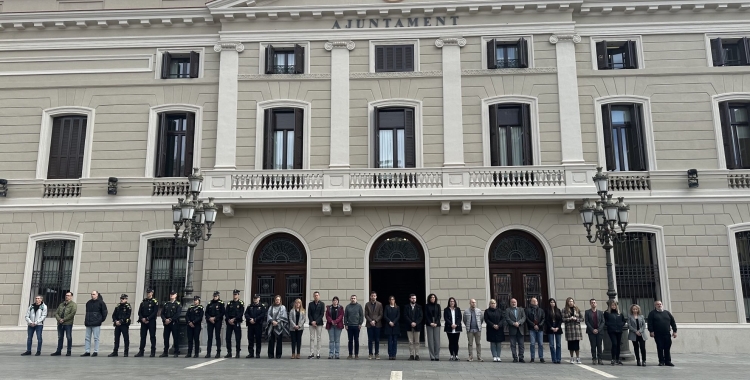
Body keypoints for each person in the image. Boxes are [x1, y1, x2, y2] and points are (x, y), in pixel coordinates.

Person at [647, 300, 677, 367]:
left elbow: (673, 322)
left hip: (667, 333)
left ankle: (668, 361)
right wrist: (651, 331)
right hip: (657, 334)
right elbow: (650, 323)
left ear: (662, 305)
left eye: (660, 304)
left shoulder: (667, 313)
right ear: (655, 306)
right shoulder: (652, 313)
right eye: (657, 304)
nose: (659, 305)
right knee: (660, 347)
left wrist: (675, 331)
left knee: (667, 347)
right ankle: (661, 361)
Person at [81, 291, 107, 357]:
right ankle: (87, 351)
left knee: (96, 338)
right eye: (91, 294)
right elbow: (87, 313)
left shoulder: (101, 303)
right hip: (88, 323)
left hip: (96, 323)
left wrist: (100, 320)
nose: (92, 295)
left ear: (97, 295)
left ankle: (96, 351)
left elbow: (104, 312)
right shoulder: (88, 303)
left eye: (94, 294)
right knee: (87, 338)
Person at [51, 292, 77, 356]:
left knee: (68, 337)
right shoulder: (61, 304)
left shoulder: (73, 305)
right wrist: (59, 319)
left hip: (68, 323)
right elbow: (56, 313)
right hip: (60, 323)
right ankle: (58, 350)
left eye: (68, 295)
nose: (67, 297)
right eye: (66, 295)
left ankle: (69, 351)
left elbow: (72, 314)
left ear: (71, 297)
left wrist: (64, 319)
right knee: (60, 337)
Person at [135, 288, 158, 357]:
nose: (148, 294)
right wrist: (142, 318)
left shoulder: (155, 301)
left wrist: (148, 318)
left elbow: (155, 312)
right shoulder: (143, 302)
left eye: (149, 292)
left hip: (151, 321)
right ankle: (141, 351)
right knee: (143, 337)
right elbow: (139, 312)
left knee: (152, 336)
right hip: (143, 322)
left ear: (152, 293)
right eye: (147, 292)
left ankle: (153, 352)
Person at [603, 300, 626, 365]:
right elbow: (605, 321)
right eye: (612, 305)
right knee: (614, 344)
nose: (614, 306)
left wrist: (621, 324)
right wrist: (609, 325)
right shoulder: (607, 313)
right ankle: (613, 358)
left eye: (615, 305)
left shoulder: (619, 313)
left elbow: (623, 320)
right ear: (610, 306)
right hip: (611, 330)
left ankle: (617, 359)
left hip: (619, 330)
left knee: (618, 345)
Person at [160, 290, 181, 358]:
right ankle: (165, 352)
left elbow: (178, 314)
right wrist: (164, 319)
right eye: (171, 294)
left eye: (173, 294)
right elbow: (162, 313)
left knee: (175, 338)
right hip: (166, 323)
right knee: (166, 338)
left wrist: (170, 319)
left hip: (174, 323)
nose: (171, 295)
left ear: (176, 295)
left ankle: (176, 351)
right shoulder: (166, 304)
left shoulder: (178, 304)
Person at [562, 297, 583, 364]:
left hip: (576, 329)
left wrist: (576, 319)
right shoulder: (564, 310)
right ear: (567, 302)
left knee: (576, 344)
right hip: (569, 329)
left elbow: (582, 318)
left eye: (572, 301)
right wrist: (569, 318)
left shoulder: (577, 309)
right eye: (569, 301)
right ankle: (571, 357)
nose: (571, 302)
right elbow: (563, 319)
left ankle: (578, 357)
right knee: (570, 345)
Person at [205, 291, 225, 358]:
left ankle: (218, 352)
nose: (215, 297)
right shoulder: (210, 303)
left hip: (217, 321)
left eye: (216, 296)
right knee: (209, 337)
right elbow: (206, 312)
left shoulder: (221, 303)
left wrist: (215, 318)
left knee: (217, 337)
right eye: (214, 296)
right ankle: (208, 353)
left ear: (218, 296)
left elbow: (222, 312)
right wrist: (210, 318)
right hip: (210, 321)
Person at [245, 294, 266, 358]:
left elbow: (263, 314)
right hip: (250, 325)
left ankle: (258, 353)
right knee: (250, 339)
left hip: (258, 325)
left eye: (256, 298)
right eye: (254, 298)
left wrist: (255, 319)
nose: (255, 299)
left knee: (258, 339)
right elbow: (246, 314)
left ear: (259, 298)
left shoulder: (262, 306)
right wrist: (249, 319)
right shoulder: (249, 306)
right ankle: (251, 353)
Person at [224, 289, 244, 358]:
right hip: (229, 322)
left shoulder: (241, 303)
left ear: (238, 295)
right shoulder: (230, 303)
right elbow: (226, 312)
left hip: (236, 322)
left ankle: (237, 352)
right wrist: (229, 320)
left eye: (236, 294)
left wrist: (234, 319)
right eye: (234, 294)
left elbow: (241, 313)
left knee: (238, 338)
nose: (235, 295)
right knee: (228, 338)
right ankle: (229, 352)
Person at [404, 293, 424, 361]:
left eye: (415, 298)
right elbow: (405, 316)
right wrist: (411, 322)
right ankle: (411, 355)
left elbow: (421, 316)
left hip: (417, 326)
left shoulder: (419, 307)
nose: (413, 299)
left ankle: (417, 355)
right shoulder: (406, 307)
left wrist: (415, 323)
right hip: (409, 326)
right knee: (410, 341)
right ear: (410, 299)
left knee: (417, 341)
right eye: (412, 298)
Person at [506, 298, 526, 363]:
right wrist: (513, 323)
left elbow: (524, 317)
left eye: (515, 302)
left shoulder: (521, 309)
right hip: (512, 329)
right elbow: (507, 318)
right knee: (513, 345)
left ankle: (521, 357)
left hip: (520, 329)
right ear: (510, 303)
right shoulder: (508, 310)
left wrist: (519, 322)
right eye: (512, 302)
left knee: (521, 344)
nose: (513, 303)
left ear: (516, 303)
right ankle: (515, 357)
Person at [585, 299, 605, 365]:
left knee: (599, 345)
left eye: (594, 302)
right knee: (593, 346)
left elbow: (603, 322)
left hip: (600, 332)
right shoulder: (587, 312)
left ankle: (600, 359)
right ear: (590, 304)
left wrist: (598, 329)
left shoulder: (600, 312)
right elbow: (587, 321)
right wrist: (592, 329)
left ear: (596, 304)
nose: (593, 304)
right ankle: (594, 358)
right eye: (592, 303)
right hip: (591, 332)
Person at [364, 291, 383, 360]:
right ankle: (370, 354)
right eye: (372, 296)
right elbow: (366, 314)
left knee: (377, 340)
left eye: (374, 296)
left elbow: (381, 314)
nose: (373, 297)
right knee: (370, 340)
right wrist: (370, 321)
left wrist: (375, 321)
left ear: (376, 297)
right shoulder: (367, 304)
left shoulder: (379, 304)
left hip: (377, 324)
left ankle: (377, 354)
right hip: (369, 324)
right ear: (370, 296)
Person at [463, 298, 483, 362]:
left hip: (477, 329)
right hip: (470, 330)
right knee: (470, 344)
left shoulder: (479, 311)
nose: (473, 303)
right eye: (472, 302)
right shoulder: (466, 311)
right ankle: (470, 356)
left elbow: (481, 319)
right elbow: (464, 320)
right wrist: (468, 326)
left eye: (474, 302)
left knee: (478, 343)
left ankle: (479, 357)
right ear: (470, 303)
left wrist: (479, 326)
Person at [344, 294, 364, 359]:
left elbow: (361, 315)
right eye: (352, 298)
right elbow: (345, 316)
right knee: (350, 340)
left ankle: (356, 354)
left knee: (356, 340)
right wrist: (346, 324)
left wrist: (360, 323)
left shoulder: (359, 306)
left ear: (356, 299)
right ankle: (350, 354)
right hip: (349, 326)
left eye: (354, 298)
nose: (353, 299)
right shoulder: (347, 307)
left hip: (356, 326)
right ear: (350, 299)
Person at [526, 297, 545, 363]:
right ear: (530, 302)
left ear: (537, 302)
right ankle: (532, 357)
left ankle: (541, 357)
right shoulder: (528, 310)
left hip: (540, 329)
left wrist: (539, 325)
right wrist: (533, 325)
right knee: (532, 343)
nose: (534, 302)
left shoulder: (541, 310)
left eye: (535, 301)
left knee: (541, 344)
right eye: (533, 301)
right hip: (532, 329)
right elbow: (527, 319)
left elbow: (543, 319)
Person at [307, 291, 325, 359]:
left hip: (319, 323)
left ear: (319, 296)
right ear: (313, 296)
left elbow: (322, 314)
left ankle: (318, 353)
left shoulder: (322, 304)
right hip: (311, 324)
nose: (316, 296)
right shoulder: (310, 304)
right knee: (312, 338)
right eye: (315, 295)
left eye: (317, 295)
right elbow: (309, 314)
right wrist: (312, 321)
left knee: (318, 338)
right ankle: (311, 353)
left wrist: (316, 322)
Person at [443, 297, 462, 361]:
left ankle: (456, 355)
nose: (452, 302)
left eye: (453, 301)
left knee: (456, 342)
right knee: (451, 342)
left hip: (457, 328)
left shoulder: (458, 309)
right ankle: (451, 355)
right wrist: (451, 324)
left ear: (455, 302)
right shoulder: (446, 310)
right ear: (449, 302)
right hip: (449, 328)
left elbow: (460, 318)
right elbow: (446, 318)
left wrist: (456, 324)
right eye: (451, 301)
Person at [545, 298, 563, 364]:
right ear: (549, 303)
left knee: (558, 344)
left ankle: (558, 358)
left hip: (558, 327)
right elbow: (546, 320)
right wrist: (551, 327)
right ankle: (554, 358)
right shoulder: (547, 310)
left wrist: (558, 327)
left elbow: (560, 320)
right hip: (550, 328)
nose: (552, 303)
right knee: (552, 345)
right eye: (551, 302)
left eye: (553, 302)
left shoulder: (558, 310)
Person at [424, 293, 441, 361]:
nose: (432, 298)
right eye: (431, 297)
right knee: (430, 340)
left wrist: (436, 323)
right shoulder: (426, 306)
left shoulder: (438, 306)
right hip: (429, 324)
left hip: (437, 324)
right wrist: (430, 323)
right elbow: (426, 315)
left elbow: (439, 315)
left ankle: (437, 355)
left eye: (434, 297)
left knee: (437, 341)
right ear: (429, 298)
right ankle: (432, 356)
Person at [383, 295, 400, 360]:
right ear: (389, 301)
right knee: (390, 341)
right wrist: (389, 322)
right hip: (388, 326)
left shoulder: (397, 307)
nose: (392, 301)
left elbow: (398, 316)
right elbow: (385, 316)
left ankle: (394, 354)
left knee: (395, 341)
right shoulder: (387, 307)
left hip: (395, 326)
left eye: (393, 299)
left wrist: (394, 322)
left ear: (394, 300)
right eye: (391, 299)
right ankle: (390, 354)